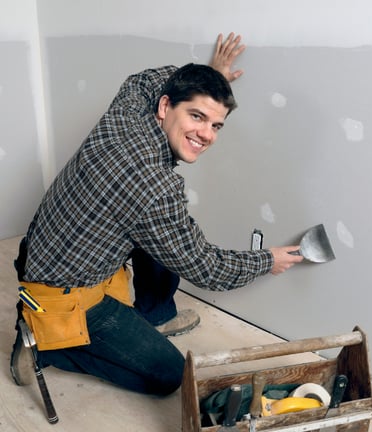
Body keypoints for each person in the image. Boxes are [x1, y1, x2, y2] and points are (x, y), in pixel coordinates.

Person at [11, 33, 303, 396]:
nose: (206, 134)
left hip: (39, 252)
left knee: (169, 233)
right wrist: (266, 260)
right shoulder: (153, 188)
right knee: (170, 376)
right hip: (64, 296)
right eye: (196, 116)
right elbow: (205, 268)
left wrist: (208, 78)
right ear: (165, 107)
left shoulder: (127, 112)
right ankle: (47, 346)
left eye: (216, 125)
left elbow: (144, 80)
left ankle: (155, 314)